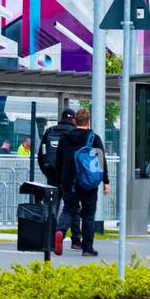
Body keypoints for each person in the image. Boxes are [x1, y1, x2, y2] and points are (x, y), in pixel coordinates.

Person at [53, 108, 109, 257]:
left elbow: (58, 162)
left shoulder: (64, 138)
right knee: (88, 215)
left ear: (74, 121)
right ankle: (87, 248)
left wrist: (61, 179)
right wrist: (106, 181)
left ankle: (60, 231)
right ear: (88, 122)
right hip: (88, 183)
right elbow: (101, 161)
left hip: (68, 182)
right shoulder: (94, 138)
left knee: (69, 209)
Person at [38, 108, 80, 246]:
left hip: (52, 177)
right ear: (73, 119)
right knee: (72, 208)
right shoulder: (75, 133)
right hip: (70, 177)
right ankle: (75, 239)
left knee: (52, 207)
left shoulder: (50, 131)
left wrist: (48, 173)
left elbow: (40, 156)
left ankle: (49, 237)